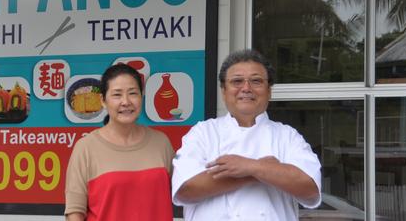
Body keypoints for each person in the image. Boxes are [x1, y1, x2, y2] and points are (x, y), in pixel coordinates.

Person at [172, 49, 321, 220]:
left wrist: (250, 166)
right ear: (223, 91)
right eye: (237, 81)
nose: (246, 88)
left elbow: (310, 189)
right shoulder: (203, 132)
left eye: (256, 81)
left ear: (269, 90)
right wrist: (260, 172)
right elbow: (185, 190)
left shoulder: (287, 136)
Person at [64, 63, 174, 221]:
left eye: (133, 93)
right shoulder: (86, 148)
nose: (126, 101)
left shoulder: (161, 143)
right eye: (117, 95)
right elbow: (75, 212)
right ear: (103, 100)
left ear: (141, 96)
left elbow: (184, 191)